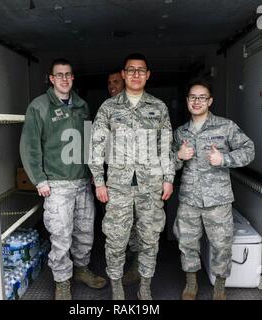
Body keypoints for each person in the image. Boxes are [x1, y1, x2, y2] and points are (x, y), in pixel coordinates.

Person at [20, 58, 107, 300]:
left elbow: (90, 142)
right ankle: (62, 281)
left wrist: (92, 172)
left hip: (82, 182)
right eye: (59, 75)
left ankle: (80, 270)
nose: (65, 79)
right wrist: (39, 179)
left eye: (68, 74)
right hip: (57, 184)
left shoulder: (82, 105)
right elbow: (30, 147)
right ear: (51, 78)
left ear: (73, 78)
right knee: (60, 234)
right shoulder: (39, 107)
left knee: (85, 231)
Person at [90, 53, 175, 300]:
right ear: (124, 74)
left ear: (147, 75)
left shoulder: (158, 107)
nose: (136, 74)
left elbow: (166, 146)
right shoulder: (109, 107)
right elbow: (96, 145)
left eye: (141, 70)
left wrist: (168, 178)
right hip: (117, 186)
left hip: (152, 186)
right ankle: (117, 287)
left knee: (150, 239)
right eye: (131, 70)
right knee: (116, 239)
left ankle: (145, 286)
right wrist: (99, 182)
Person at [172, 80, 255, 300]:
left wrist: (224, 159)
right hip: (189, 199)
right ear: (187, 101)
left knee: (222, 245)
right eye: (192, 97)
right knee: (187, 243)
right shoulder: (180, 132)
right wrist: (179, 157)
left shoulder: (226, 126)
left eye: (202, 97)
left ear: (210, 101)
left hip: (218, 200)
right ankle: (191, 284)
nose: (196, 101)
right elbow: (167, 163)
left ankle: (219, 286)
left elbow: (249, 150)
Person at [106, 70, 140, 286]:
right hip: (115, 178)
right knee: (116, 223)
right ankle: (125, 256)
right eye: (109, 83)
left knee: (138, 222)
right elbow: (96, 144)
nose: (112, 86)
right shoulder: (107, 108)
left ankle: (137, 263)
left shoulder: (142, 107)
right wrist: (97, 175)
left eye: (116, 81)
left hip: (140, 178)